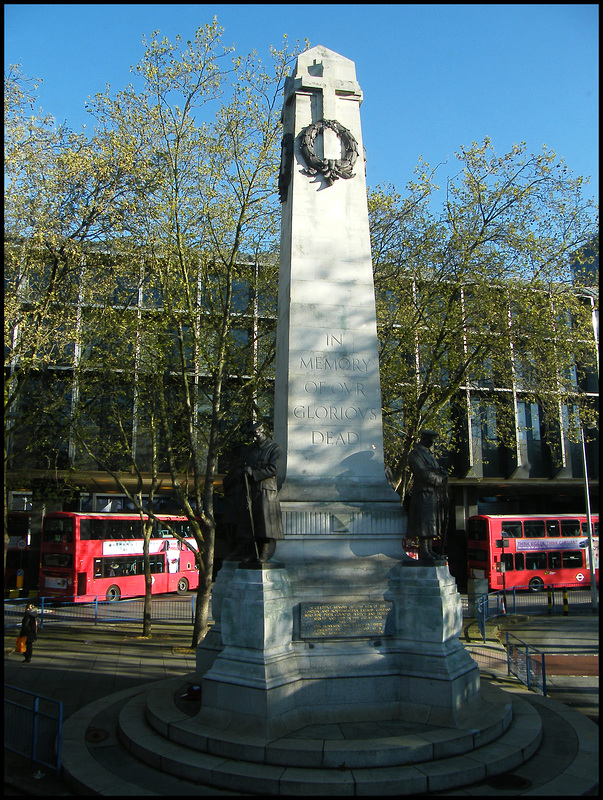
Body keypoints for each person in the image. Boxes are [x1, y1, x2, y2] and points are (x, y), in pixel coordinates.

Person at [224, 421, 284, 564]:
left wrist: (254, 473)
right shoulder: (250, 450)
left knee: (264, 524)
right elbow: (242, 464)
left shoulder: (274, 449)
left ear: (263, 432)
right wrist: (242, 472)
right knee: (250, 523)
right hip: (250, 490)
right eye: (253, 436)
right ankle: (251, 552)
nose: (255, 438)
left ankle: (264, 553)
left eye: (256, 435)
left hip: (265, 491)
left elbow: (272, 469)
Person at [407, 429, 448, 562]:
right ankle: (424, 552)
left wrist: (443, 475)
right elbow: (423, 473)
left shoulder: (429, 454)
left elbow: (434, 471)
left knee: (432, 523)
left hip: (434, 494)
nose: (432, 443)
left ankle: (429, 550)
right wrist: (440, 479)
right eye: (430, 440)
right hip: (423, 493)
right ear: (424, 439)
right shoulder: (415, 454)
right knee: (424, 524)